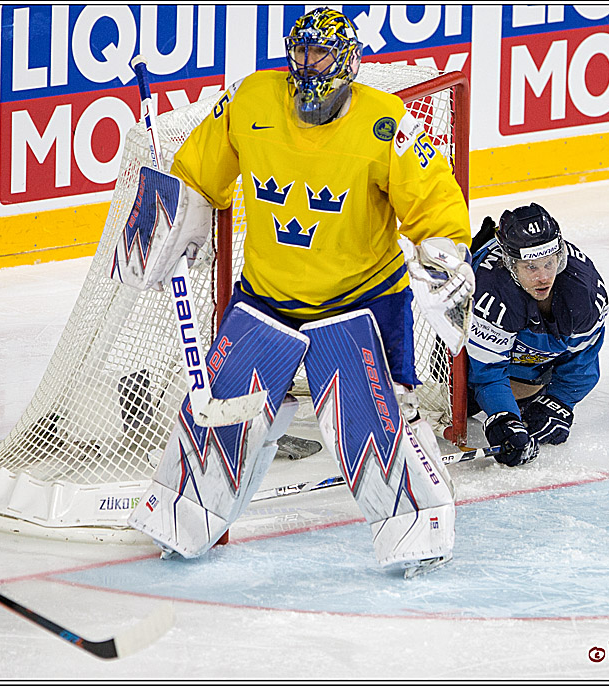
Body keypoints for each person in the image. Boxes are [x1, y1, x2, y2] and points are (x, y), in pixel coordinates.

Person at [115, 8, 474, 577]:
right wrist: (174, 215)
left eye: (321, 55)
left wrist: (444, 253)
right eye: (300, 53)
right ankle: (185, 513)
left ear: (348, 60)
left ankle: (419, 526)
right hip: (267, 295)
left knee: (381, 425)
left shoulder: (387, 123)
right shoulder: (252, 100)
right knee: (222, 413)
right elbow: (197, 171)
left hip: (365, 300)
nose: (308, 67)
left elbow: (434, 204)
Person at [466, 203, 609, 467]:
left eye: (549, 263)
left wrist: (560, 401)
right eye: (531, 267)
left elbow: (583, 362)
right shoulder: (489, 290)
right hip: (481, 343)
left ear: (560, 256)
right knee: (464, 400)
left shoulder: (583, 293)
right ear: (510, 263)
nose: (543, 277)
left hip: (534, 356)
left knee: (533, 408)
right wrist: (504, 418)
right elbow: (486, 372)